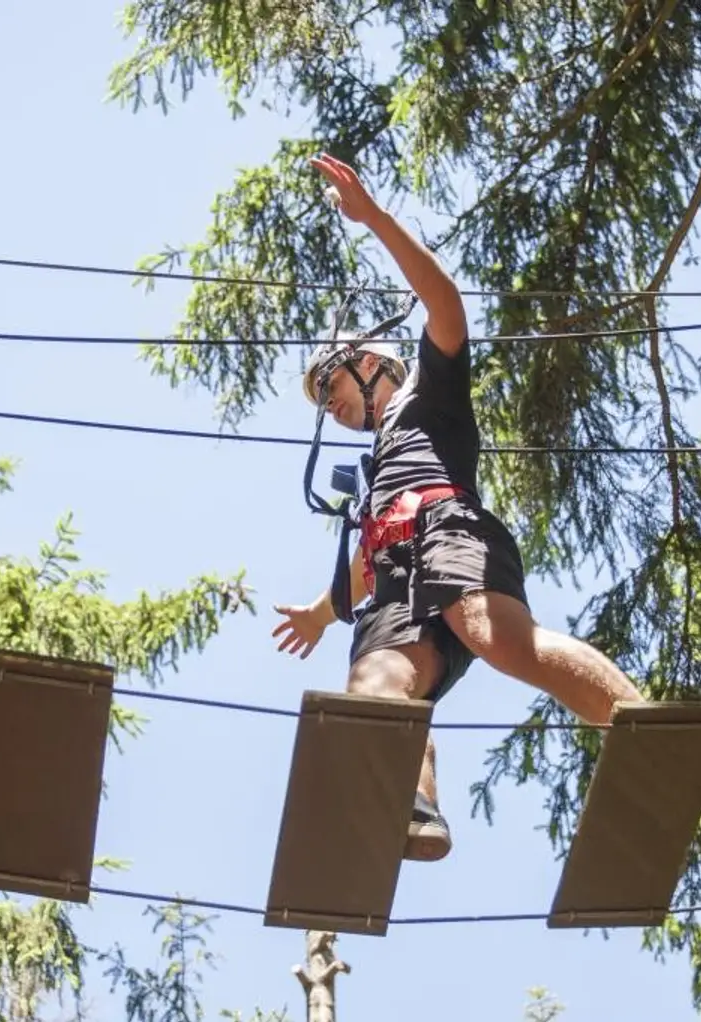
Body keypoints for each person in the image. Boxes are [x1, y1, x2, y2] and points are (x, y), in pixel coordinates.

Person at [271, 152, 644, 863]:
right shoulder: (376, 464)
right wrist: (323, 614)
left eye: (333, 385)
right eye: (324, 402)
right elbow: (365, 559)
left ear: (372, 361)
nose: (334, 407)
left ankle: (635, 723)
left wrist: (373, 219)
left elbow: (446, 307)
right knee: (374, 685)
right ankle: (411, 808)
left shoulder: (428, 392)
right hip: (393, 571)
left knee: (491, 633)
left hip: (446, 529)